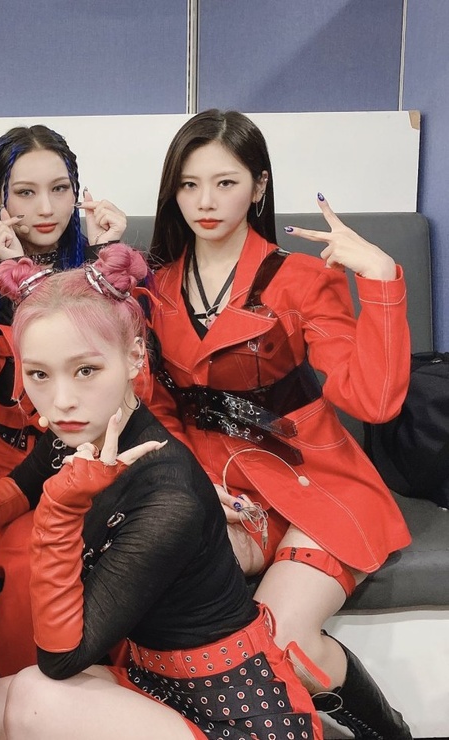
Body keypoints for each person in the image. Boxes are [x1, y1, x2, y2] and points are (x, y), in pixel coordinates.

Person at [0, 246, 323, 740]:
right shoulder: (91, 428)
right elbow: (20, 486)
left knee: (35, 697)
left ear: (135, 356)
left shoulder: (169, 498)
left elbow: (60, 659)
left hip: (237, 717)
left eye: (85, 370)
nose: (61, 400)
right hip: (155, 682)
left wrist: (60, 509)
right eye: (39, 374)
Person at [147, 109, 412, 739]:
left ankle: (387, 732)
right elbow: (156, 407)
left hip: (315, 481)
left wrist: (380, 280)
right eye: (189, 184)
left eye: (226, 182)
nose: (205, 202)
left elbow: (372, 400)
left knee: (282, 639)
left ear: (259, 186)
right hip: (223, 489)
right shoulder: (155, 288)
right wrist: (188, 482)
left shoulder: (302, 279)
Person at [0, 126, 129, 677]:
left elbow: (134, 375)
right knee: (30, 570)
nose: (45, 208)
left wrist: (106, 258)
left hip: (101, 458)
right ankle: (25, 705)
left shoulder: (104, 268)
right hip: (15, 466)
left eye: (60, 189)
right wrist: (9, 277)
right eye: (25, 192)